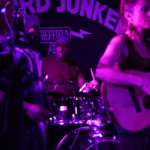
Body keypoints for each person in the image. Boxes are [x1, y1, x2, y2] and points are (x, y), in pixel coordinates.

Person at [95, 0, 150, 150]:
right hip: (131, 115)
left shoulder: (148, 43)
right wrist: (141, 82)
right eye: (145, 9)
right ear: (129, 16)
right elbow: (101, 70)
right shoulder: (120, 41)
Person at [0, 3, 51, 150]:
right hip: (8, 124)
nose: (13, 11)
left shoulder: (14, 43)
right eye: (8, 6)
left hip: (31, 126)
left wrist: (42, 106)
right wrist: (26, 108)